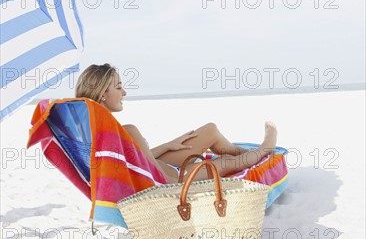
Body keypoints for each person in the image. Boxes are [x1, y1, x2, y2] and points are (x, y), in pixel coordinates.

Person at [75, 63, 277, 183]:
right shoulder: (125, 130)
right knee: (224, 163)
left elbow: (137, 162)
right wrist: (194, 176)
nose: (124, 92)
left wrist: (168, 145)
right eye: (119, 87)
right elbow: (158, 179)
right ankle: (263, 150)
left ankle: (244, 153)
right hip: (173, 180)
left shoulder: (100, 132)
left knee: (209, 130)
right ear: (102, 94)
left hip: (166, 167)